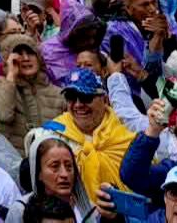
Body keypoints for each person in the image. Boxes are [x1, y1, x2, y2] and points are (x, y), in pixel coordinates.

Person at [49, 70, 131, 201]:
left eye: (85, 97)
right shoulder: (51, 135)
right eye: (71, 97)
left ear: (105, 100)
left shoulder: (128, 140)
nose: (78, 105)